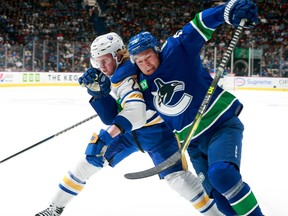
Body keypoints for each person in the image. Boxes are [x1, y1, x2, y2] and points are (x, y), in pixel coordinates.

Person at [35, 32, 224, 216]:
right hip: (129, 134)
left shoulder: (126, 77)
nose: (101, 66)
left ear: (118, 55)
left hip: (158, 134)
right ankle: (54, 208)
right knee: (88, 162)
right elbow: (111, 116)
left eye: (105, 59)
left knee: (179, 181)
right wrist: (99, 95)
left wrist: (106, 136)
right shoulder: (119, 72)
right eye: (97, 60)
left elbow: (136, 112)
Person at [127, 1, 264, 215]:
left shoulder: (176, 51)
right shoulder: (140, 84)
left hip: (220, 126)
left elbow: (199, 23)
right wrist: (98, 94)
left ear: (156, 51)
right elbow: (121, 110)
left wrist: (229, 10)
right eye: (140, 61)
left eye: (149, 57)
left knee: (222, 175)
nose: (146, 64)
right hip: (192, 143)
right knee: (218, 198)